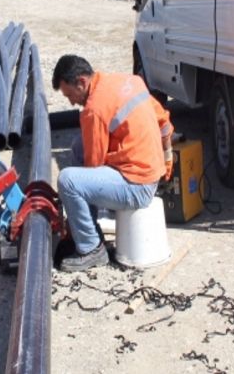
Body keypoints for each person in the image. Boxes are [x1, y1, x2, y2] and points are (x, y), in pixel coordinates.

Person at [51, 55, 174, 272]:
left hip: (136, 187)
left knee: (68, 181)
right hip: (148, 173)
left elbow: (93, 166)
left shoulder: (94, 109)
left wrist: (72, 219)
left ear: (81, 81)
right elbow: (163, 121)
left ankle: (91, 249)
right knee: (78, 145)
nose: (71, 102)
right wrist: (167, 157)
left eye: (70, 94)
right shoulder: (128, 81)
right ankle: (89, 230)